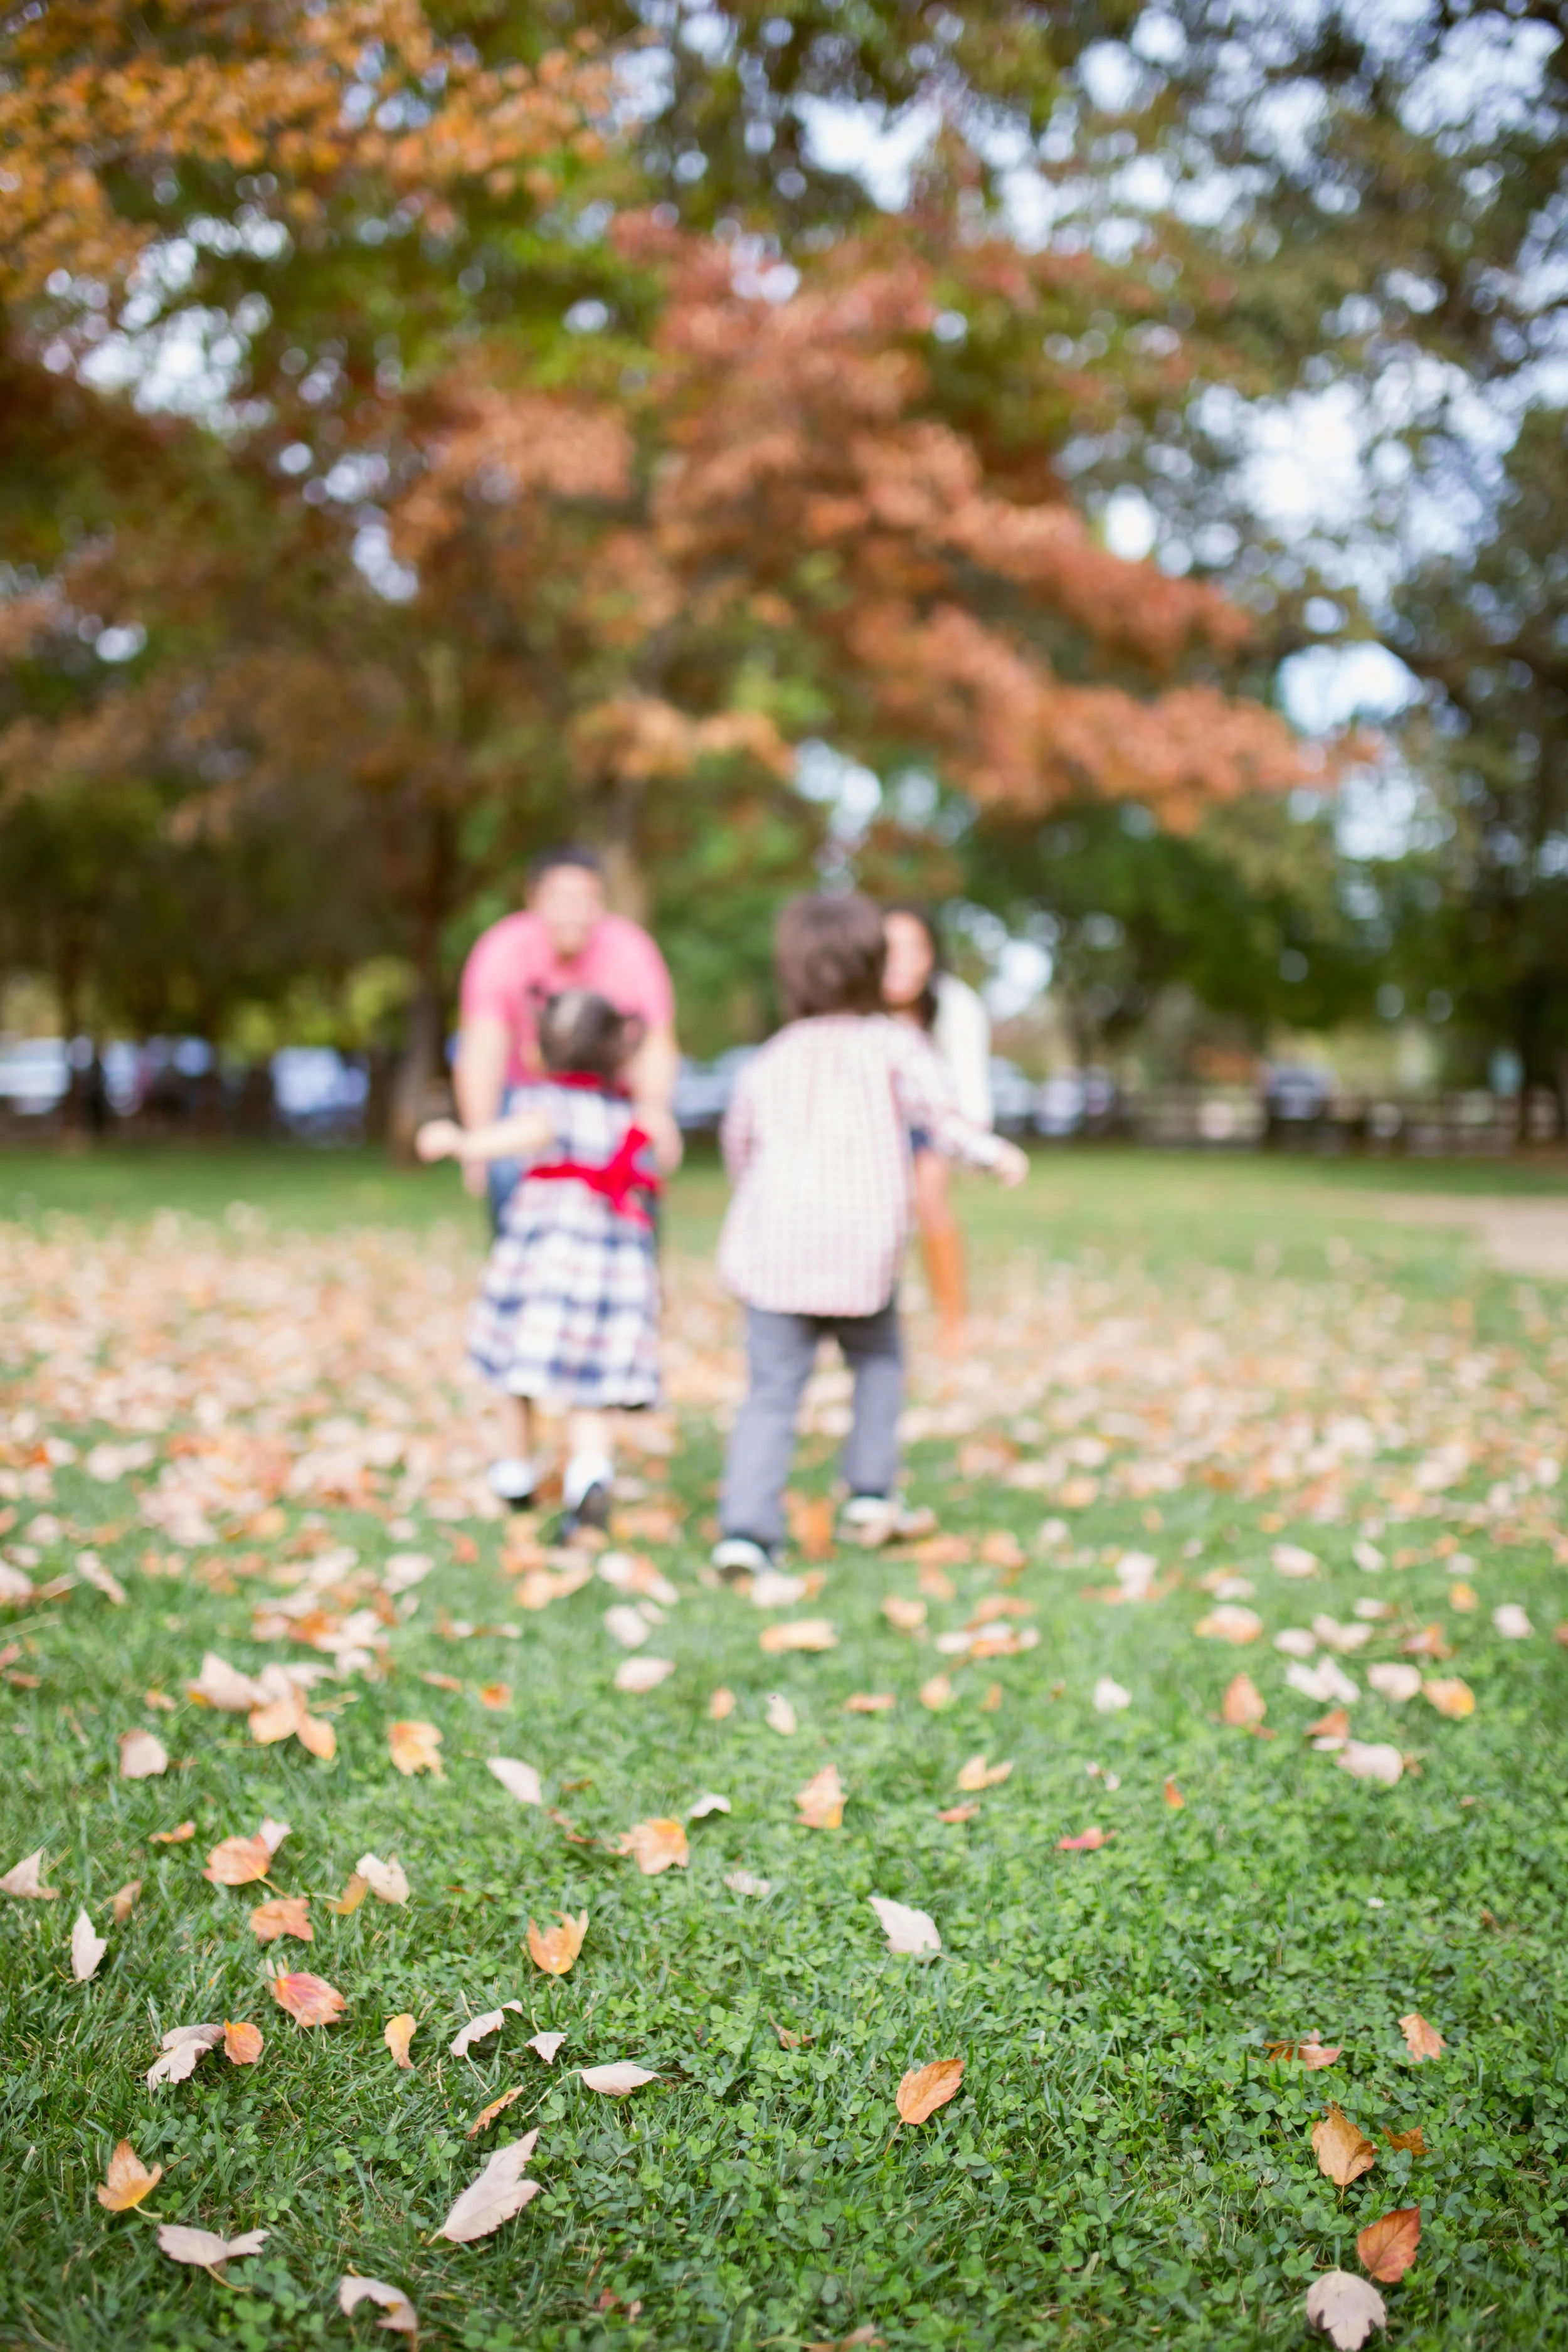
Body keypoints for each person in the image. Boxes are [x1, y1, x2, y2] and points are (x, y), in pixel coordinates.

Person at [712, 893, 1027, 1576]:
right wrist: (992, 1152)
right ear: (872, 967)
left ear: (789, 975)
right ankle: (868, 1491)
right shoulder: (894, 1046)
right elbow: (942, 1118)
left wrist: (758, 1198)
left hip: (774, 1254)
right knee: (878, 1363)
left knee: (771, 1392)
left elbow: (738, 1144)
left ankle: (745, 1530)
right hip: (860, 1254)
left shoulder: (769, 1057)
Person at [418, 990, 682, 1535]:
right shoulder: (626, 1114)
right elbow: (668, 1155)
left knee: (514, 1366)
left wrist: (460, 1141)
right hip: (610, 1272)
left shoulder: (545, 1107)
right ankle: (589, 1474)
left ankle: (514, 1472)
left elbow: (508, 1140)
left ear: (539, 1053)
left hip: (546, 1266)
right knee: (590, 1385)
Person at [455, 846, 678, 1241]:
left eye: (586, 899)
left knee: (640, 1168)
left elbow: (655, 1043)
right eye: (560, 898)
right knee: (505, 1169)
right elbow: (483, 1050)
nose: (573, 911)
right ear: (534, 900)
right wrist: (479, 1137)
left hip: (612, 1097)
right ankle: (516, 1269)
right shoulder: (502, 950)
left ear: (601, 904)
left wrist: (654, 1111)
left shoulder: (631, 950)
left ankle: (638, 1277)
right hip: (528, 1095)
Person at [881, 903, 993, 1348]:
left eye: (915, 948)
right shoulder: (861, 1005)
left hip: (934, 1124)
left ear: (932, 955)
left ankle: (951, 1319)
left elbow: (969, 1082)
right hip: (874, 1128)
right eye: (892, 949)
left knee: (929, 1203)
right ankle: (867, 1315)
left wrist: (975, 1146)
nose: (903, 960)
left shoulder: (955, 1004)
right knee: (883, 1218)